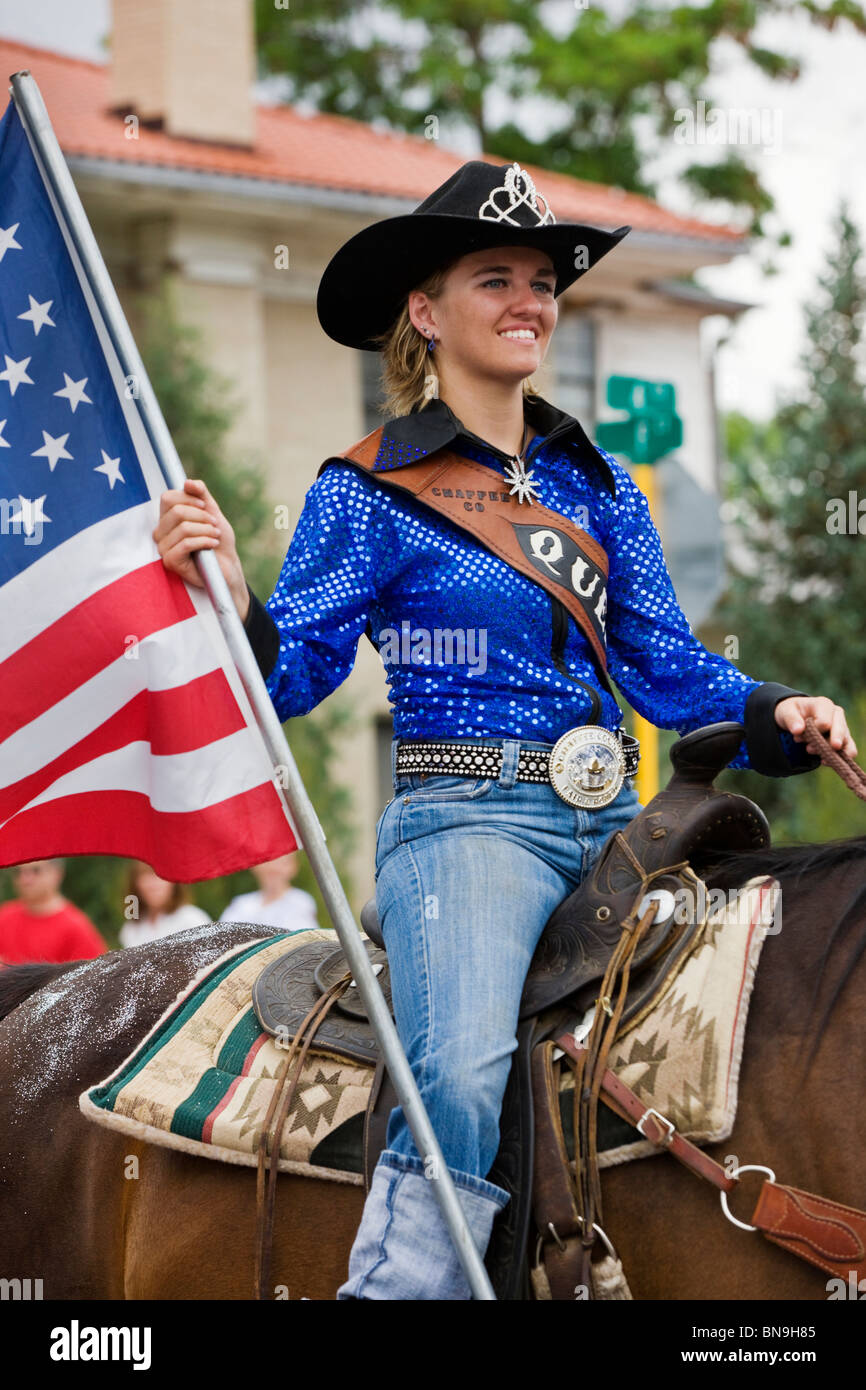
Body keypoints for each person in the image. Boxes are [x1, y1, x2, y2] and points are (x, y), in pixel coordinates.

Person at [153, 160, 856, 1300]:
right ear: (424, 313)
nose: (531, 299)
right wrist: (233, 600)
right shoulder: (369, 488)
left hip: (623, 827)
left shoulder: (600, 485)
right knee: (463, 1073)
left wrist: (777, 709)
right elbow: (295, 675)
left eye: (543, 280)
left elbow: (663, 666)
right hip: (467, 827)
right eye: (496, 279)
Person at [0, 859, 107, 964]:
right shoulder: (4, 916)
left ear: (57, 874)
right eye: (18, 872)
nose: (24, 879)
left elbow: (95, 974)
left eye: (36, 871)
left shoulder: (75, 928)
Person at [119, 861, 210, 948]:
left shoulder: (192, 919)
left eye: (160, 876)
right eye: (146, 877)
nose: (153, 885)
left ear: (174, 883)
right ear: (135, 884)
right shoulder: (131, 929)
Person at [221, 852, 319, 932]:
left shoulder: (300, 901)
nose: (273, 868)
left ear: (293, 867)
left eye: (282, 862)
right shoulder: (241, 904)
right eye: (268, 862)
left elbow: (302, 940)